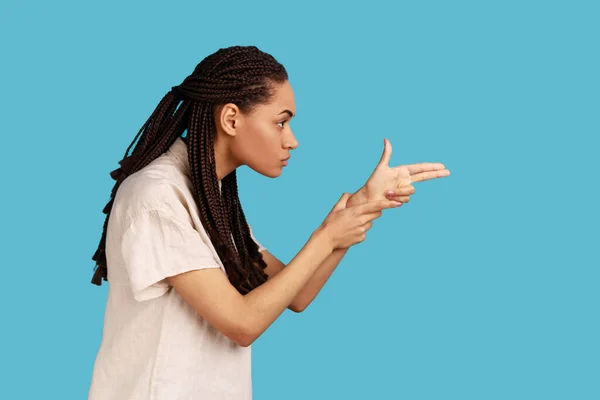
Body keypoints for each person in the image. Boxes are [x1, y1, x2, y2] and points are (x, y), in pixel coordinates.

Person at [88, 45, 450, 400]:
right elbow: (242, 323)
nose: (291, 140)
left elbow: (297, 294)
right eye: (281, 122)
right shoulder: (156, 197)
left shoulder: (212, 201)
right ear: (231, 119)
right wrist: (326, 237)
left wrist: (362, 207)